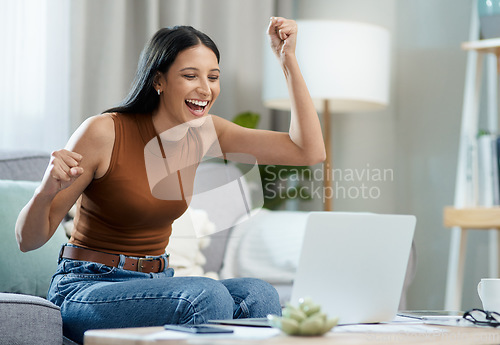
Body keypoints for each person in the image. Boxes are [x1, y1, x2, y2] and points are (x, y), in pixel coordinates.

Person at [15, 17, 325, 343]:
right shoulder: (104, 131)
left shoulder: (204, 133)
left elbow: (308, 151)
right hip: (87, 287)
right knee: (205, 295)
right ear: (159, 80)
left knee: (258, 294)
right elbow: (27, 240)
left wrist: (287, 60)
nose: (205, 89)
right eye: (190, 76)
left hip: (155, 284)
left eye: (213, 77)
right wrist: (45, 190)